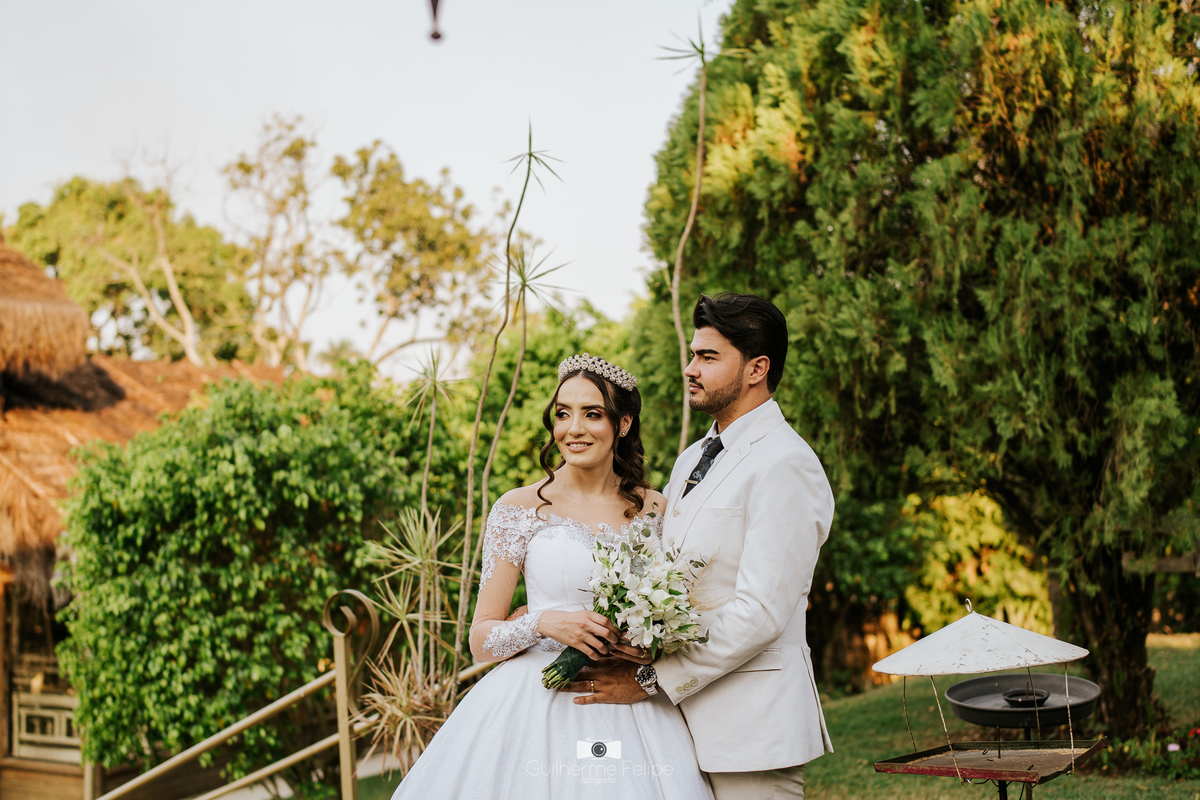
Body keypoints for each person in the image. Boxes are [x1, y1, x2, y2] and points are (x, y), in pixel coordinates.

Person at [389, 354, 714, 799]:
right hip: (534, 703)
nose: (573, 429)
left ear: (623, 424)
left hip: (628, 703)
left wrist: (644, 647)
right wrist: (542, 622)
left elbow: (673, 611)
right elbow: (480, 641)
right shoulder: (517, 508)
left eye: (592, 414)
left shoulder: (655, 508)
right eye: (563, 414)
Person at [569, 293, 835, 800]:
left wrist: (649, 679)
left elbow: (760, 612)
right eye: (693, 355)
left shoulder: (786, 463)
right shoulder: (693, 456)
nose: (690, 369)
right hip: (677, 729)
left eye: (708, 357)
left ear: (757, 368)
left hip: (751, 730)